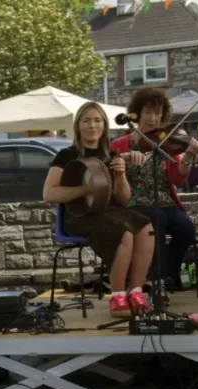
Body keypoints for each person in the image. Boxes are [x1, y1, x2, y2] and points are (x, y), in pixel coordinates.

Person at [43, 102, 156, 318]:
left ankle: (136, 291)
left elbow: (123, 200)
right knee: (123, 232)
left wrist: (121, 174)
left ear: (104, 125)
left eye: (97, 120)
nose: (92, 126)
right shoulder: (66, 156)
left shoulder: (112, 154)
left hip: (110, 211)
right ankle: (118, 295)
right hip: (79, 215)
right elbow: (49, 194)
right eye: (86, 121)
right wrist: (86, 189)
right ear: (78, 126)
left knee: (146, 226)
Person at [110, 87, 198, 298]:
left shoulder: (164, 143)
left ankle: (167, 275)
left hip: (164, 200)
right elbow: (112, 175)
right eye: (148, 112)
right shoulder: (119, 144)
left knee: (186, 229)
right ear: (138, 114)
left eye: (158, 113)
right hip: (134, 202)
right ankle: (156, 282)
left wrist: (188, 156)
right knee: (157, 219)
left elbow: (178, 179)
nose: (153, 118)